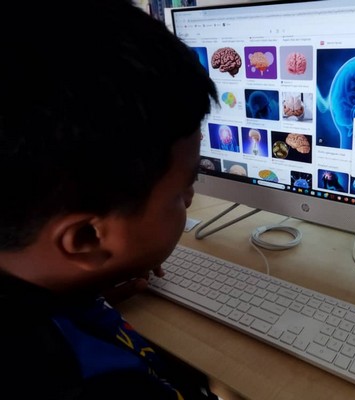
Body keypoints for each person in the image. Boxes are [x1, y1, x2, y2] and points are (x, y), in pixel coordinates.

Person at [0, 0, 220, 398]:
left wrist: (85, 296)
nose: (191, 198)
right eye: (181, 191)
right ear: (87, 238)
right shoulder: (90, 383)